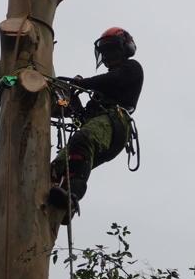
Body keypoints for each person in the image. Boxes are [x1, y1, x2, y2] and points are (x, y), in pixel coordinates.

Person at [49, 27, 144, 217]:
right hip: (101, 125)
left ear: (124, 50)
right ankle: (58, 203)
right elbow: (81, 116)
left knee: (83, 138)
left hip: (115, 123)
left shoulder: (131, 68)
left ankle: (72, 196)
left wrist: (81, 83)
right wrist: (71, 104)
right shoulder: (102, 91)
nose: (109, 55)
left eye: (112, 50)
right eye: (106, 51)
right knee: (58, 165)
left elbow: (113, 79)